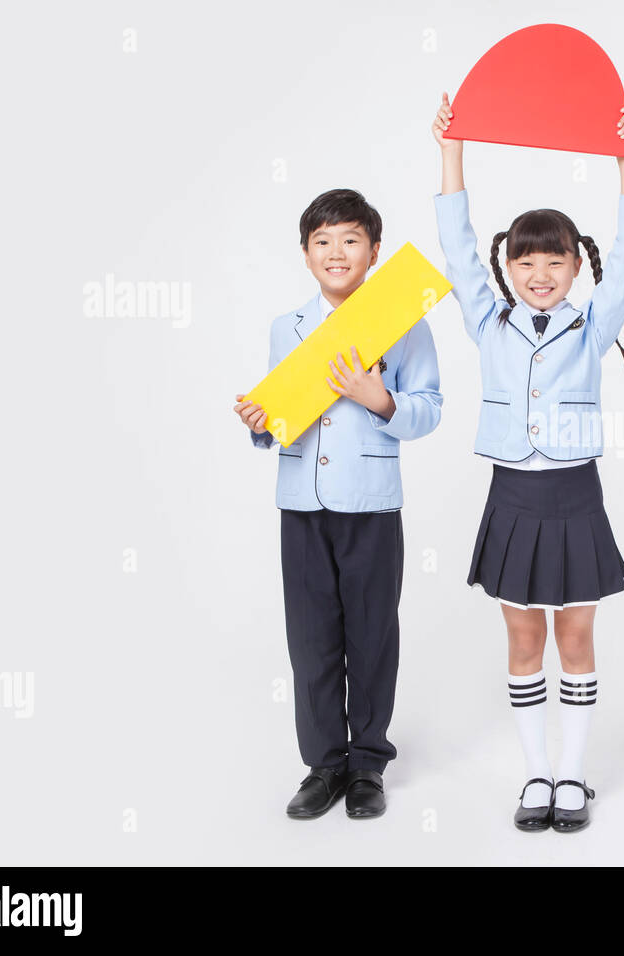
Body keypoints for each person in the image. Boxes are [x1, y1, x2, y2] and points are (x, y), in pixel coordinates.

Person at [431, 92, 624, 832]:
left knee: (577, 635)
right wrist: (452, 148)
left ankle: (574, 778)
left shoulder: (592, 327)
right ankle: (535, 777)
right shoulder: (487, 321)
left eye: (555, 261)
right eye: (527, 261)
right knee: (524, 637)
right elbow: (456, 246)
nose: (541, 273)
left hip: (576, 495)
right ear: (510, 267)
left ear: (572, 266)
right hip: (512, 497)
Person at [233, 188, 442, 820]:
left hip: (371, 504)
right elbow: (281, 420)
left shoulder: (407, 321)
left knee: (372, 635)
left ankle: (368, 763)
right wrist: (259, 421)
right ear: (304, 254)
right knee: (312, 638)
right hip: (300, 503)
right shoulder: (285, 328)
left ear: (375, 251)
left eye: (350, 239)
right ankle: (324, 764)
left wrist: (379, 398)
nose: (336, 252)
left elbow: (430, 409)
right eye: (322, 241)